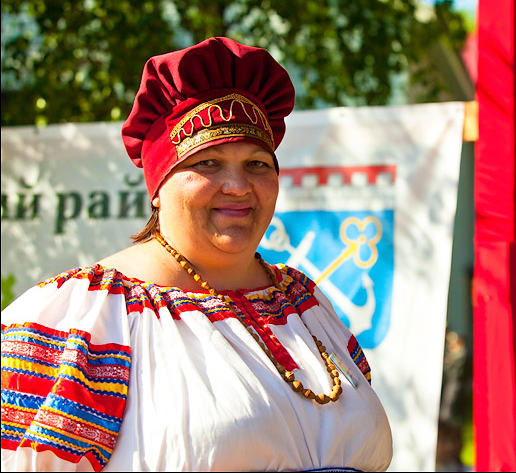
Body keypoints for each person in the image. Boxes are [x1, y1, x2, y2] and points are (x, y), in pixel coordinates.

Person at [1, 37, 393, 471]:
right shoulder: (84, 318)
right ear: (158, 187)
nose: (238, 186)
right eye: (208, 163)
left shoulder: (305, 302)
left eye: (257, 164)